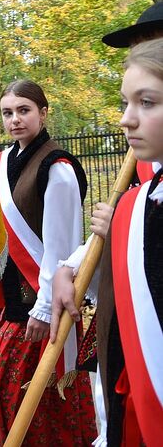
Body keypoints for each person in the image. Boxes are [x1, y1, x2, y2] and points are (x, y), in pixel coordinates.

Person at [51, 39, 163, 445]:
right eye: (125, 102)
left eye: (147, 102)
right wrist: (71, 265)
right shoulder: (143, 196)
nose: (126, 120)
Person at [0, 79, 96, 446]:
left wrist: (45, 310)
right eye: (8, 113)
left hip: (40, 308)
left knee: (34, 404)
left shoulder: (57, 169)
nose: (15, 119)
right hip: (9, 303)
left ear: (43, 114)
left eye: (24, 110)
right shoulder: (0, 163)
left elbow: (61, 250)